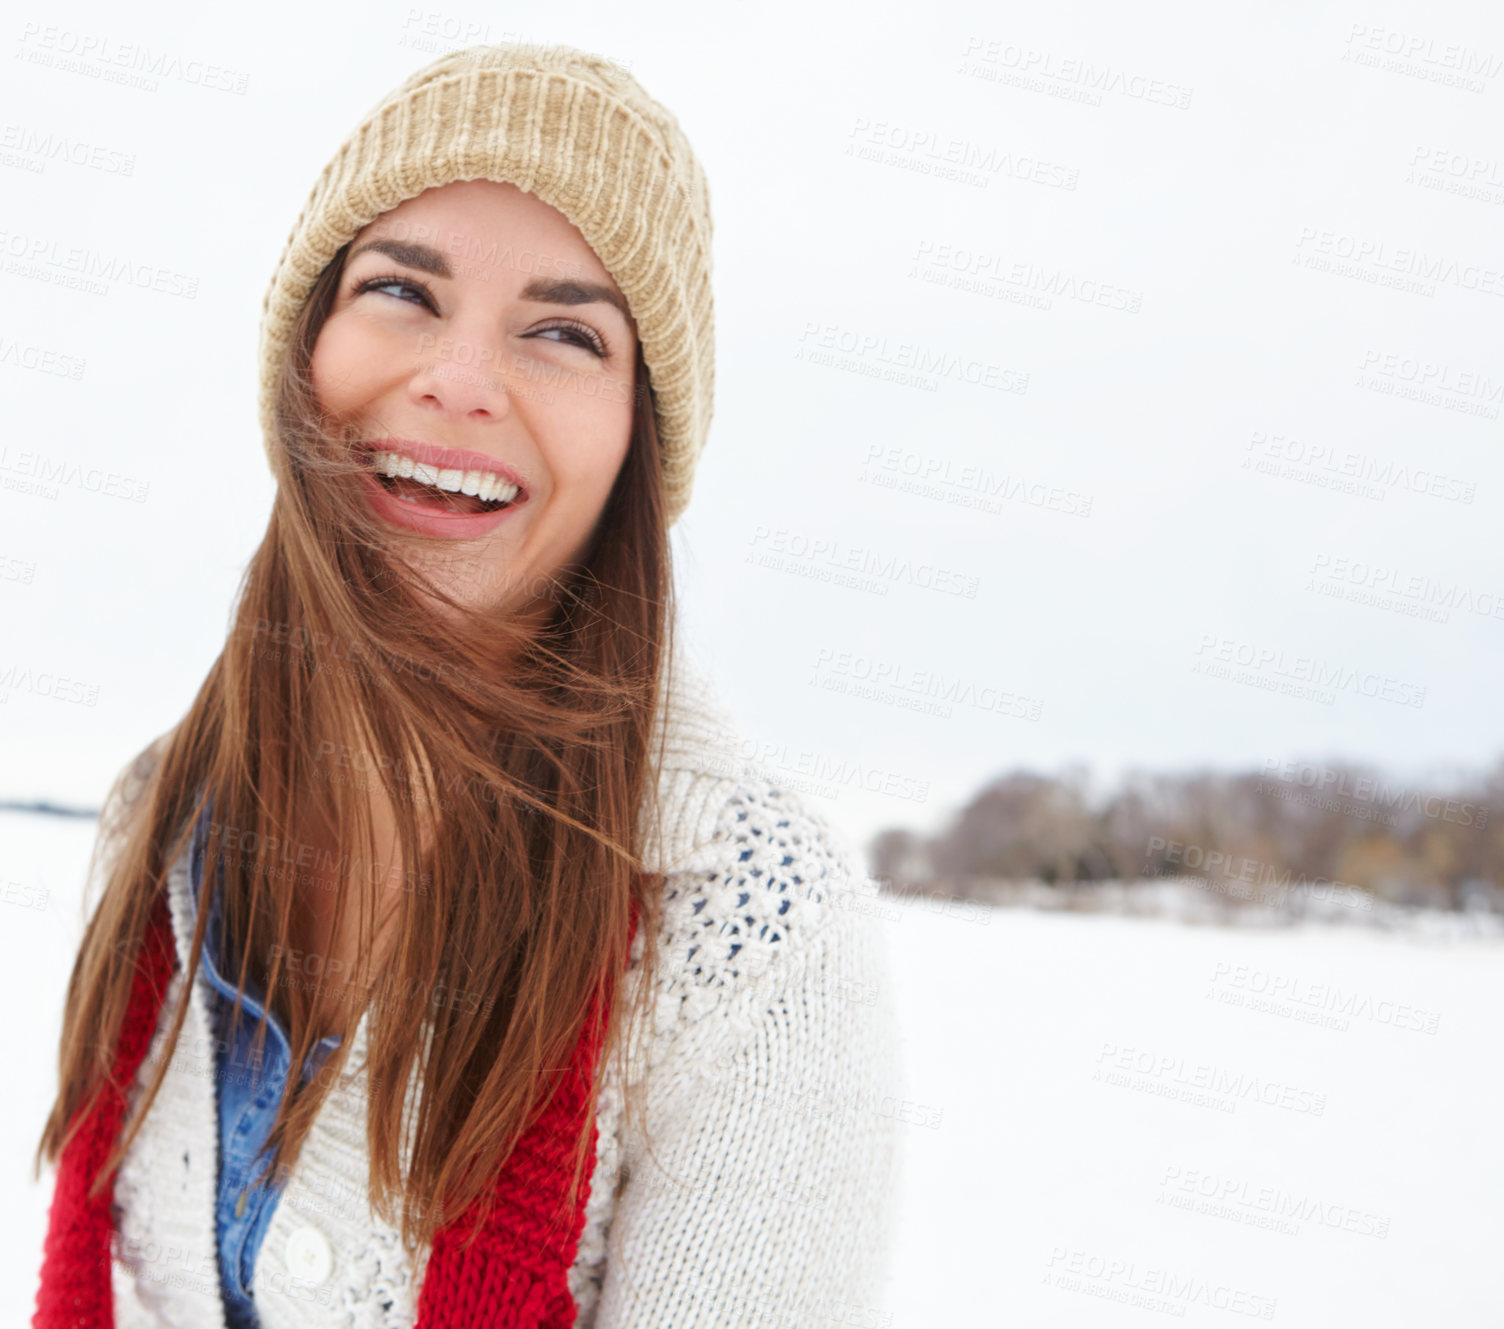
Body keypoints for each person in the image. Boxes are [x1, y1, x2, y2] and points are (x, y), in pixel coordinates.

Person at [30, 41, 902, 1329]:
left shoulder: (757, 934)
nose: (460, 383)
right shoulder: (162, 818)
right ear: (305, 348)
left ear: (637, 439)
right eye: (401, 291)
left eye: (563, 332)